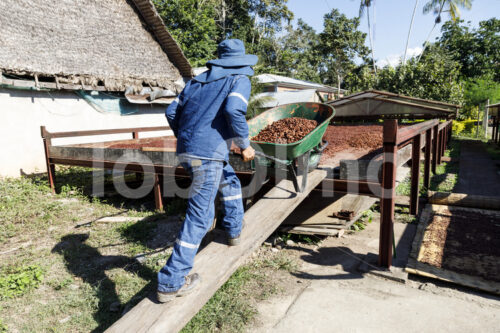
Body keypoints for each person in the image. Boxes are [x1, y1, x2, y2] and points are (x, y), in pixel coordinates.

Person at [157, 39, 257, 303]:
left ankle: (234, 230)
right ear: (241, 60)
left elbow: (171, 111)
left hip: (191, 150)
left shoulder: (196, 82)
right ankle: (172, 281)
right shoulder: (239, 78)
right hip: (207, 154)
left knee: (229, 180)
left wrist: (190, 138)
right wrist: (245, 145)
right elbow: (233, 109)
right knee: (201, 215)